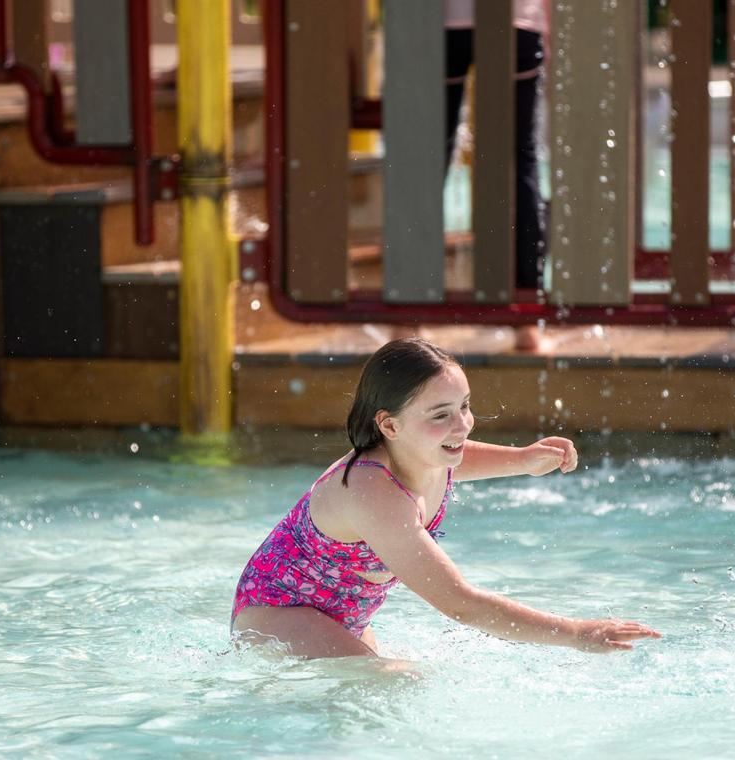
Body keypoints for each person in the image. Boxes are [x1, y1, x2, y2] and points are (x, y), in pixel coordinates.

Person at [232, 338, 660, 659]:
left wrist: (523, 460)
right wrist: (576, 633)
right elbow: (460, 603)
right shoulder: (370, 493)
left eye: (465, 407)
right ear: (390, 427)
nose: (463, 426)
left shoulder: (423, 455)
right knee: (395, 688)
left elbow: (455, 459)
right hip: (277, 618)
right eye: (441, 415)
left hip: (340, 618)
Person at [445, 0, 550, 351]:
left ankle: (406, 312)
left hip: (438, 18)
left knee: (427, 156)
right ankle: (526, 318)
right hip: (517, 17)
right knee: (520, 159)